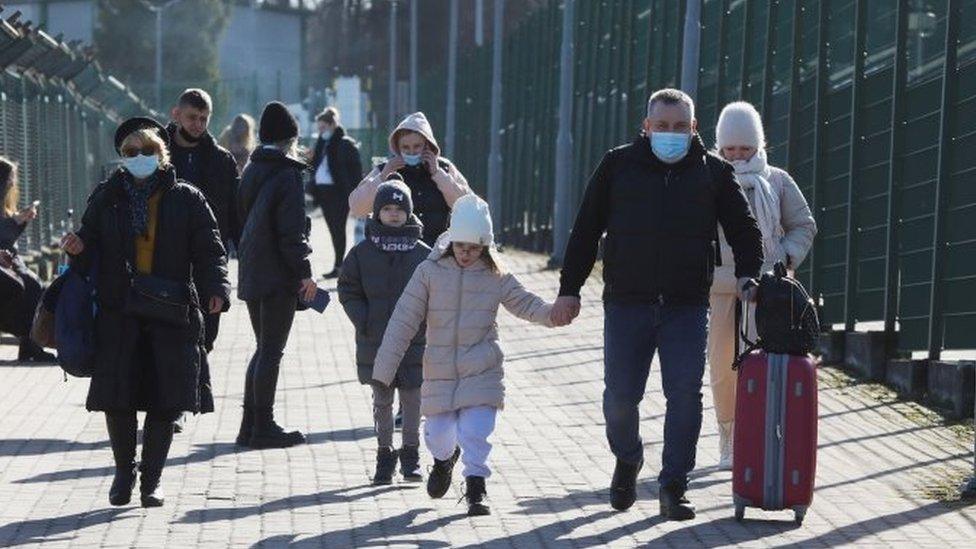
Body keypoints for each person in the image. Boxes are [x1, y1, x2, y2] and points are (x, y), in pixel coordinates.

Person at [550, 88, 764, 520]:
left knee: (684, 395)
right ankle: (628, 458)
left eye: (680, 127)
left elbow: (745, 230)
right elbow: (586, 229)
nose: (671, 134)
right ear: (646, 127)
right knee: (620, 399)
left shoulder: (714, 173)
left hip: (686, 305)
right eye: (662, 126)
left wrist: (749, 274)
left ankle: (673, 486)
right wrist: (569, 289)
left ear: (694, 129)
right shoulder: (618, 166)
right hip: (627, 302)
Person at [59, 117, 230, 508]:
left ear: (162, 154)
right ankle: (124, 471)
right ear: (121, 157)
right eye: (131, 153)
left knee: (165, 399)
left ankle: (152, 480)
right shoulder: (107, 196)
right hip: (120, 311)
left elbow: (209, 249)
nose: (139, 158)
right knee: (117, 397)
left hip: (173, 311)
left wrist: (216, 288)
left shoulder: (187, 197)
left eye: (147, 151)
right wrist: (77, 247)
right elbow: (89, 241)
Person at [372, 194, 556, 516]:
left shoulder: (496, 274)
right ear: (451, 242)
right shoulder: (429, 272)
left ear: (485, 246)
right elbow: (403, 319)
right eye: (460, 247)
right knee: (438, 435)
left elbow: (526, 303)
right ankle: (444, 461)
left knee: (476, 430)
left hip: (482, 368)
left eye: (474, 248)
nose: (466, 254)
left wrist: (553, 314)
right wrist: (383, 371)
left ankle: (476, 488)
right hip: (440, 371)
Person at [707, 101, 817, 470]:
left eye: (745, 148)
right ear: (719, 147)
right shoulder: (707, 179)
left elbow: (803, 225)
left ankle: (764, 435)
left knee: (768, 364)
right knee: (723, 365)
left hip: (768, 291)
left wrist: (784, 261)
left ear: (758, 145)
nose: (737, 156)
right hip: (721, 289)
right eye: (730, 149)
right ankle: (728, 434)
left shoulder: (778, 181)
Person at [337, 174, 429, 485]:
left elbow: (436, 293)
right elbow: (348, 288)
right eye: (387, 208)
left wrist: (426, 323)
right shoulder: (362, 253)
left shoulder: (423, 254)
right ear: (376, 212)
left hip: (414, 341)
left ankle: (412, 455)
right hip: (375, 338)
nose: (393, 213)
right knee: (382, 400)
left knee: (414, 399)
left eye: (399, 209)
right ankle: (384, 455)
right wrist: (362, 319)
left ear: (409, 213)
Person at [235, 101, 317, 449]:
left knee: (262, 349)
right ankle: (263, 425)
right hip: (278, 274)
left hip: (253, 270)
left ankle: (249, 425)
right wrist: (305, 272)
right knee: (271, 350)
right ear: (290, 140)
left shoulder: (252, 169)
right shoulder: (287, 175)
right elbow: (291, 233)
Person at [167, 88, 240, 354]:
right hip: (164, 266)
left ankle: (197, 394)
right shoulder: (155, 155)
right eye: (192, 117)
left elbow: (236, 215)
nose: (198, 125)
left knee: (205, 341)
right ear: (176, 115)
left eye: (204, 118)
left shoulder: (222, 161)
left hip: (207, 265)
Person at [349, 112, 469, 247]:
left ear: (427, 145)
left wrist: (438, 174)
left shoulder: (444, 168)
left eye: (417, 146)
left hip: (436, 254)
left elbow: (467, 206)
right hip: (395, 254)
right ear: (397, 148)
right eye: (405, 147)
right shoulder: (386, 169)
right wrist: (383, 176)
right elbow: (357, 208)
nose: (412, 152)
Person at [0, 157, 55, 362]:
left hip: (9, 260)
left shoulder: (4, 206)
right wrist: (16, 221)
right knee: (23, 286)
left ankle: (31, 344)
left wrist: (20, 220)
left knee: (36, 285)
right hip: (4, 262)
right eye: (9, 179)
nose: (13, 184)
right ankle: (29, 342)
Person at [308, 107, 363, 278]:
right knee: (333, 230)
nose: (321, 131)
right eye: (319, 128)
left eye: (323, 127)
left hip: (339, 192)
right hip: (323, 192)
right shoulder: (322, 143)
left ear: (333, 125)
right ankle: (338, 265)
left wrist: (354, 194)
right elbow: (316, 166)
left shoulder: (344, 143)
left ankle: (340, 266)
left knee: (339, 229)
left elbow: (354, 171)